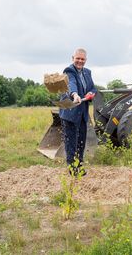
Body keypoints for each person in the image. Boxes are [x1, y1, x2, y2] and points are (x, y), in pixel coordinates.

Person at [59, 48, 97, 176]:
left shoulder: (87, 72)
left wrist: (91, 93)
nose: (80, 61)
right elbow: (71, 84)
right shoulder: (69, 70)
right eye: (77, 58)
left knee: (81, 140)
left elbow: (92, 87)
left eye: (82, 59)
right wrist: (75, 95)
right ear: (72, 58)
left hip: (82, 113)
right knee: (71, 142)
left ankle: (79, 165)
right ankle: (72, 168)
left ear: (85, 60)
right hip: (70, 112)